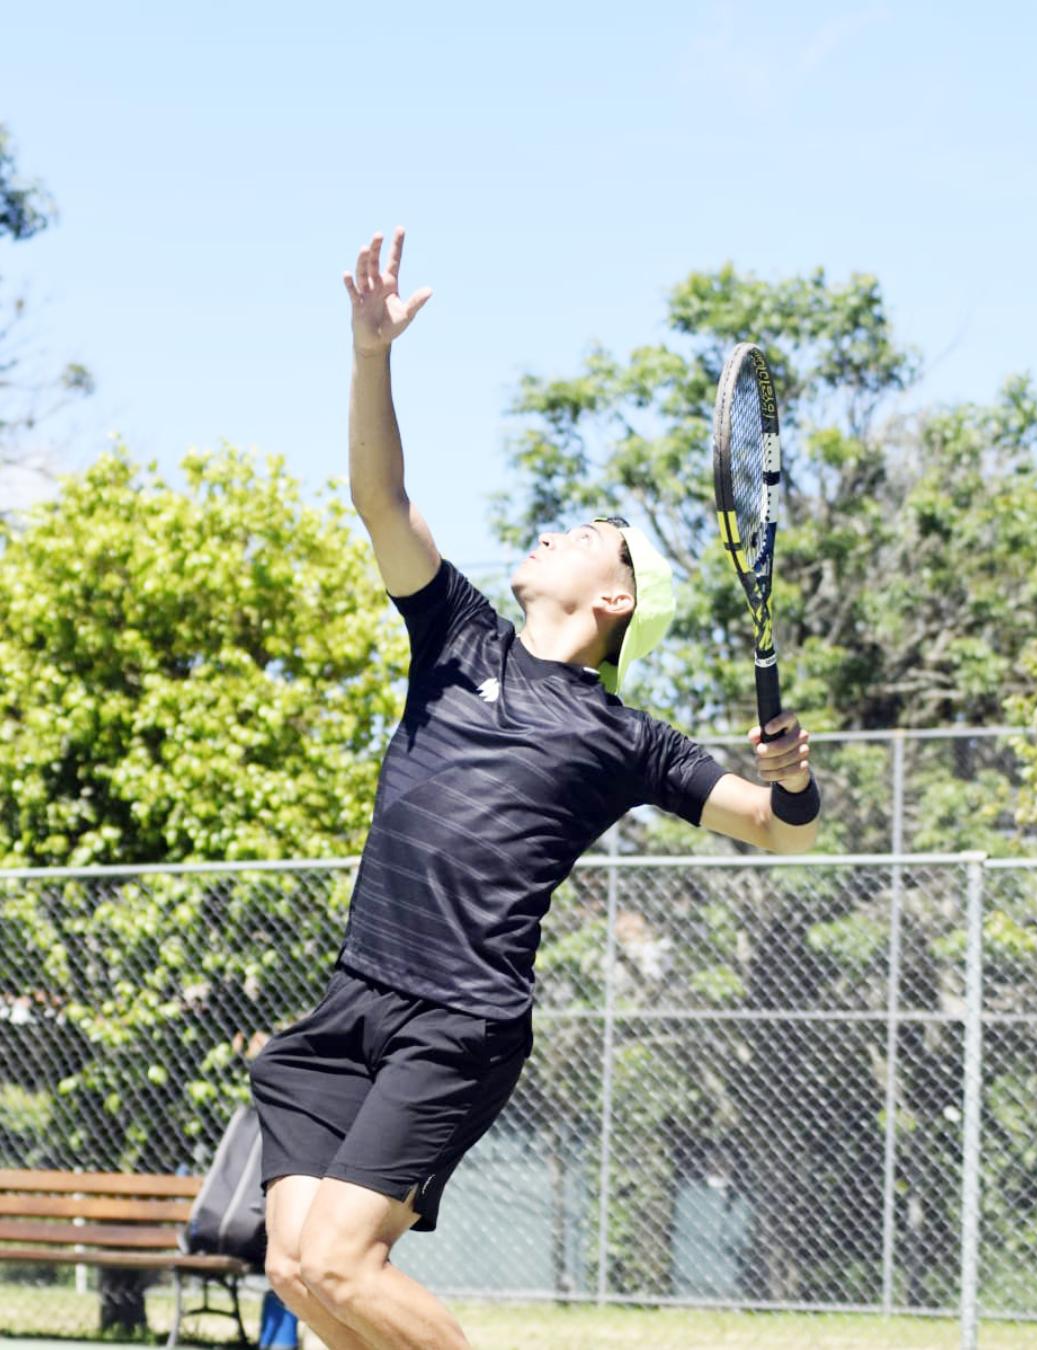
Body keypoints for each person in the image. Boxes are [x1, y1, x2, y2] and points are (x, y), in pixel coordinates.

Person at [249, 227, 821, 1350]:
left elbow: (781, 833)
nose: (557, 528)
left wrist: (791, 784)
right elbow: (382, 496)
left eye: (590, 534)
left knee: (337, 1261)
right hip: (351, 1001)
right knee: (293, 1269)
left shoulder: (626, 736)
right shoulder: (457, 636)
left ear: (614, 600)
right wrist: (373, 356)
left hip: (458, 1020)